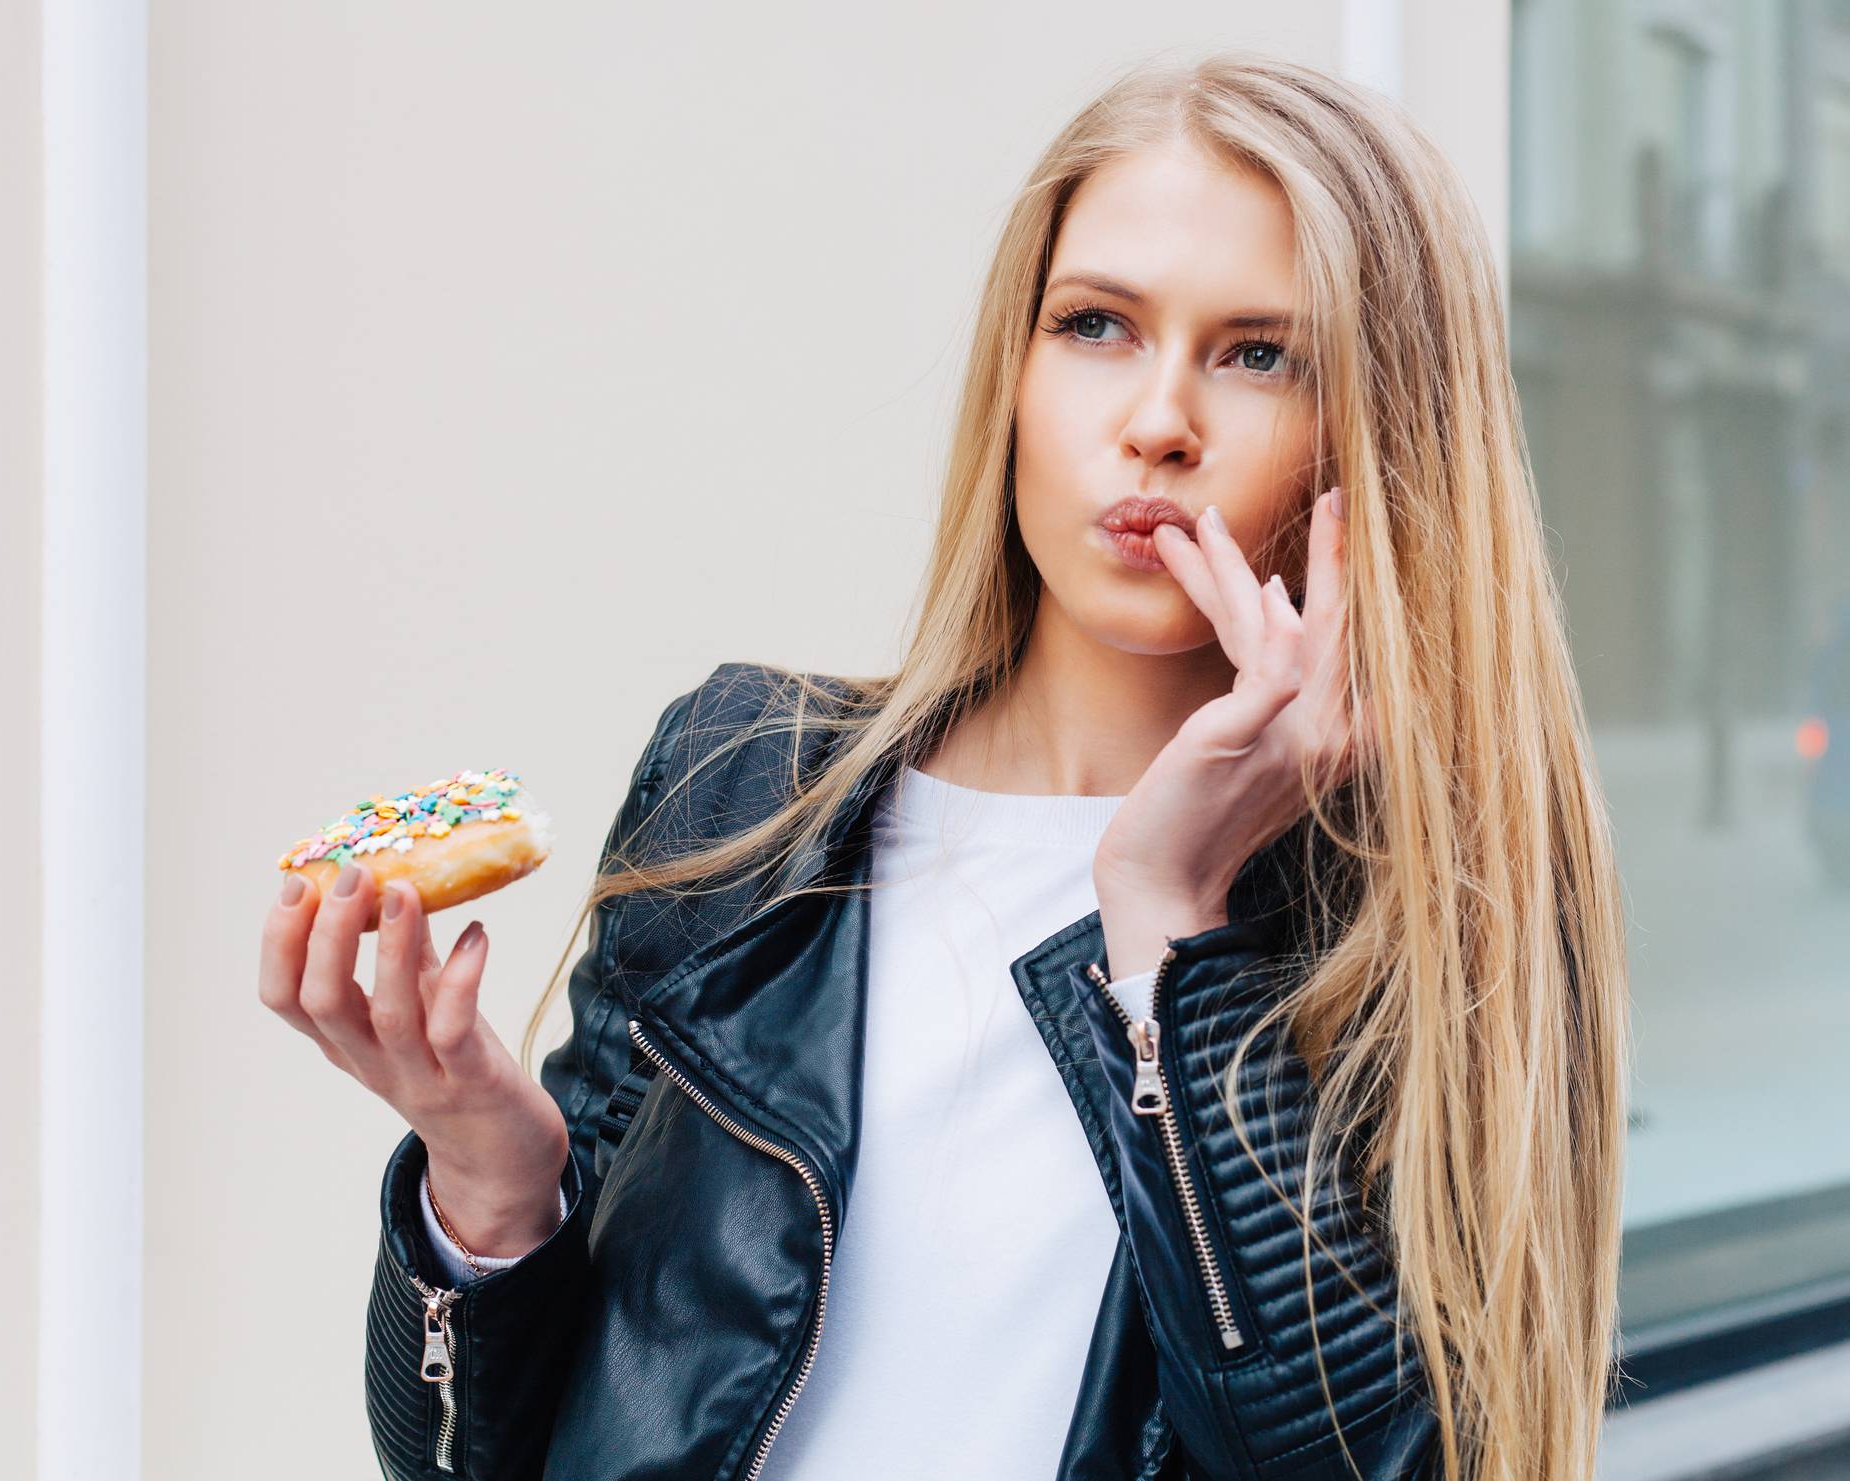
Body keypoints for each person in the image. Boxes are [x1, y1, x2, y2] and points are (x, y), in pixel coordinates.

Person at [260, 51, 1629, 1481]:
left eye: (1255, 352)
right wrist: (490, 1185)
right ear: (1017, 373)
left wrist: (1169, 928)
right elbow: (478, 1461)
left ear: (1381, 434)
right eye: (1096, 324)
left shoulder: (1434, 911)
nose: (1159, 419)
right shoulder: (741, 784)